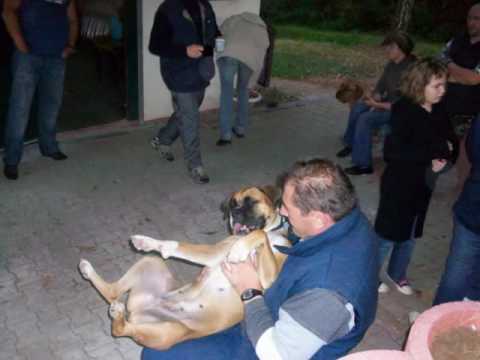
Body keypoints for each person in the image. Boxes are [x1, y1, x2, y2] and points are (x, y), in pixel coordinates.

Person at [142, 158, 379, 360]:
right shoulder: (349, 218)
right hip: (286, 305)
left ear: (317, 218)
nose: (282, 213)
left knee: (157, 353)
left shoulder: (326, 297)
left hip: (274, 340)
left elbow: (275, 353)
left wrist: (249, 291)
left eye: (287, 208)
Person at [375, 58, 455, 296]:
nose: (443, 90)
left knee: (410, 233)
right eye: (437, 85)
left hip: (425, 183)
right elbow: (394, 152)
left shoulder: (440, 108)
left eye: (444, 85)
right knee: (387, 234)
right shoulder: (404, 110)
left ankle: (397, 272)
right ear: (420, 85)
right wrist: (433, 153)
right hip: (399, 184)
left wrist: (444, 158)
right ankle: (370, 275)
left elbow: (450, 141)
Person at [2, 0, 79, 180]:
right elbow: (7, 11)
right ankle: (12, 160)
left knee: (52, 105)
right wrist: (20, 43)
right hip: (27, 58)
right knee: (19, 109)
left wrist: (70, 45)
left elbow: (73, 20)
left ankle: (49, 147)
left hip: (56, 59)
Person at [148, 0, 219, 184]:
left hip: (201, 71)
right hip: (178, 72)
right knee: (190, 119)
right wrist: (185, 51)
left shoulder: (206, 6)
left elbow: (212, 34)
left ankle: (162, 139)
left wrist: (218, 40)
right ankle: (195, 166)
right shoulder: (167, 9)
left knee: (185, 112)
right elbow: (154, 46)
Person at [337, 31, 416, 176]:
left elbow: (403, 106)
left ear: (400, 48)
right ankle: (351, 143)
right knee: (358, 107)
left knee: (365, 119)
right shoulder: (392, 64)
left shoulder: (412, 70)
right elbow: (381, 86)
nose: (386, 50)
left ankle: (363, 165)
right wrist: (374, 96)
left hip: (402, 112)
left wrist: (376, 105)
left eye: (389, 47)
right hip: (388, 104)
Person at [433, 115, 480, 305]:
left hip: (473, 207)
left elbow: (472, 150)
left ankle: (441, 324)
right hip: (473, 209)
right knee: (464, 275)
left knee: (458, 272)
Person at [215, 12, 269, 146]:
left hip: (229, 55)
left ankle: (225, 135)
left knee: (226, 94)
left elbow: (218, 34)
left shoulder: (235, 18)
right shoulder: (262, 30)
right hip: (249, 61)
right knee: (243, 91)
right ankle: (240, 129)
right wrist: (252, 82)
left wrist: (218, 51)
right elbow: (260, 58)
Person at [438, 3, 480, 128]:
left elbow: (474, 78)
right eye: (469, 18)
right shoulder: (458, 39)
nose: (471, 22)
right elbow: (438, 58)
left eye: (477, 19)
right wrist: (460, 75)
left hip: (468, 115)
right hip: (440, 102)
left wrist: (448, 64)